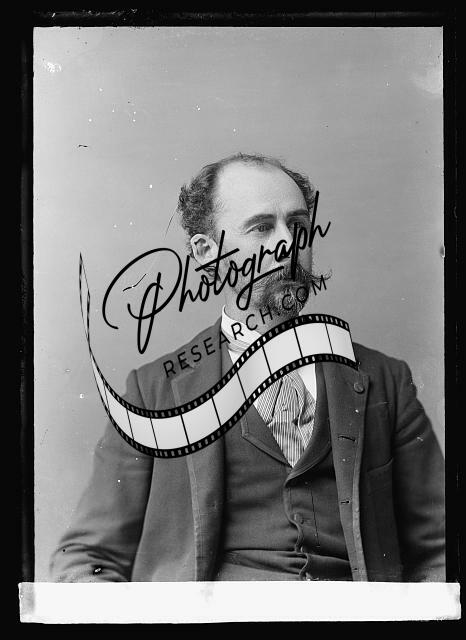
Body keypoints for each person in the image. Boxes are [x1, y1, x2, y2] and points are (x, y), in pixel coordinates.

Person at [50, 153, 445, 582]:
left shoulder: (385, 380)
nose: (289, 245)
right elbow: (86, 559)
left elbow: (442, 550)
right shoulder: (153, 393)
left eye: (298, 225)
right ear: (207, 254)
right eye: (261, 227)